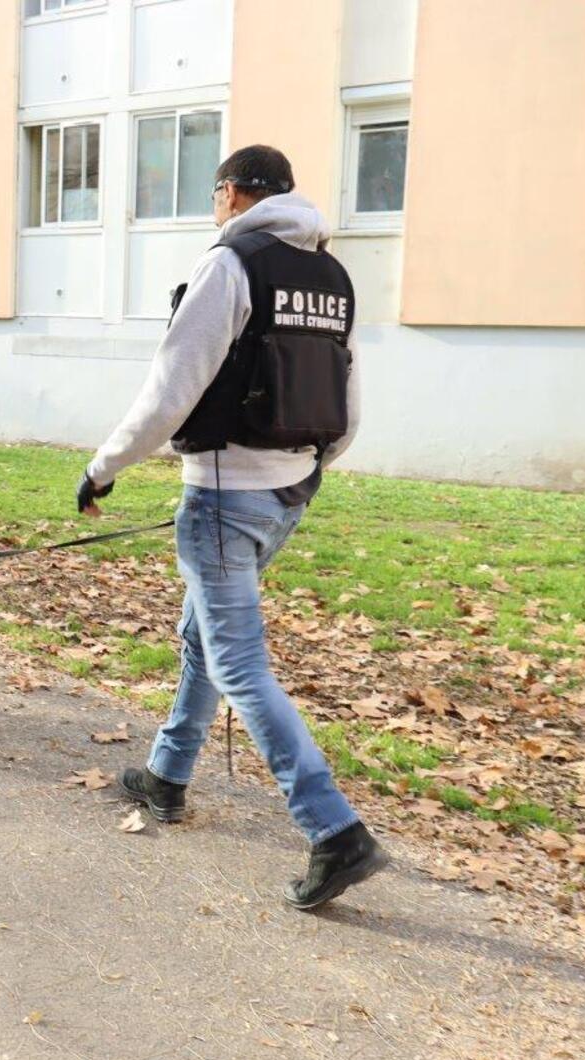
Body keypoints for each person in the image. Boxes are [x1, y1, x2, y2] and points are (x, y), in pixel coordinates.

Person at [77, 145, 385, 910]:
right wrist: (309, 470)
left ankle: (334, 830)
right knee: (203, 639)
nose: (215, 208)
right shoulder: (331, 274)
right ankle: (168, 776)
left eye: (216, 195)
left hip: (223, 498)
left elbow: (170, 387)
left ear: (233, 193)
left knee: (239, 663)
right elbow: (346, 396)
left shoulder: (231, 263)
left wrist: (104, 466)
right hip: (289, 493)